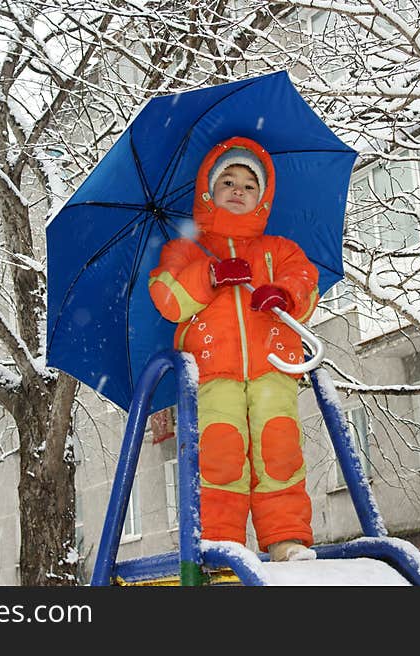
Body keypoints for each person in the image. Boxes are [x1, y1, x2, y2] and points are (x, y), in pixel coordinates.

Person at [148, 136, 320, 562]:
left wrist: (282, 293)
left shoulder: (278, 250)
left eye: (249, 184)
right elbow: (167, 297)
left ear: (263, 197)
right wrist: (209, 275)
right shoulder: (186, 250)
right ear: (208, 193)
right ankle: (221, 540)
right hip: (212, 371)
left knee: (277, 448)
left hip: (273, 364)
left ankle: (285, 538)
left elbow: (306, 282)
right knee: (221, 451)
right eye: (228, 181)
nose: (238, 190)